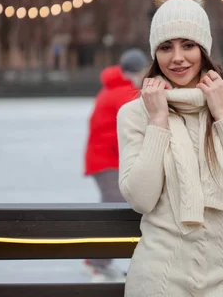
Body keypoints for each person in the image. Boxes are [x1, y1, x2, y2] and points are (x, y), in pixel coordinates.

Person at [117, 0, 223, 296]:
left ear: (204, 48)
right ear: (154, 53)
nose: (177, 58)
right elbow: (141, 198)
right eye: (166, 47)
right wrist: (158, 121)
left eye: (187, 45)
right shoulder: (136, 114)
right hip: (157, 279)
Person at [83, 48, 149, 282]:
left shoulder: (116, 89)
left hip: (107, 161)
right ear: (139, 70)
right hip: (108, 162)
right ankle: (97, 263)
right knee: (114, 212)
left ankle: (102, 261)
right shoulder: (124, 93)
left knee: (115, 210)